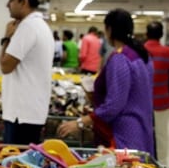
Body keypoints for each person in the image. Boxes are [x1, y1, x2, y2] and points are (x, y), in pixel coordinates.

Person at [57, 9, 154, 154]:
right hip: (142, 127)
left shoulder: (120, 59)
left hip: (124, 134)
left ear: (109, 30)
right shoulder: (141, 56)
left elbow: (114, 105)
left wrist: (80, 122)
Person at [0, 0, 54, 144]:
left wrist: (6, 38)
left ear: (24, 2)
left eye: (11, 0)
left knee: (16, 166)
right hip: (31, 112)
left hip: (20, 115)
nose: (7, 4)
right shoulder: (41, 26)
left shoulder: (27, 27)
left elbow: (5, 66)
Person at [144, 21, 169, 164]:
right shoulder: (168, 51)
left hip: (143, 100)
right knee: (162, 134)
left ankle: (144, 162)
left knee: (145, 133)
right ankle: (163, 164)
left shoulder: (141, 50)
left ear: (146, 34)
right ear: (161, 35)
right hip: (162, 99)